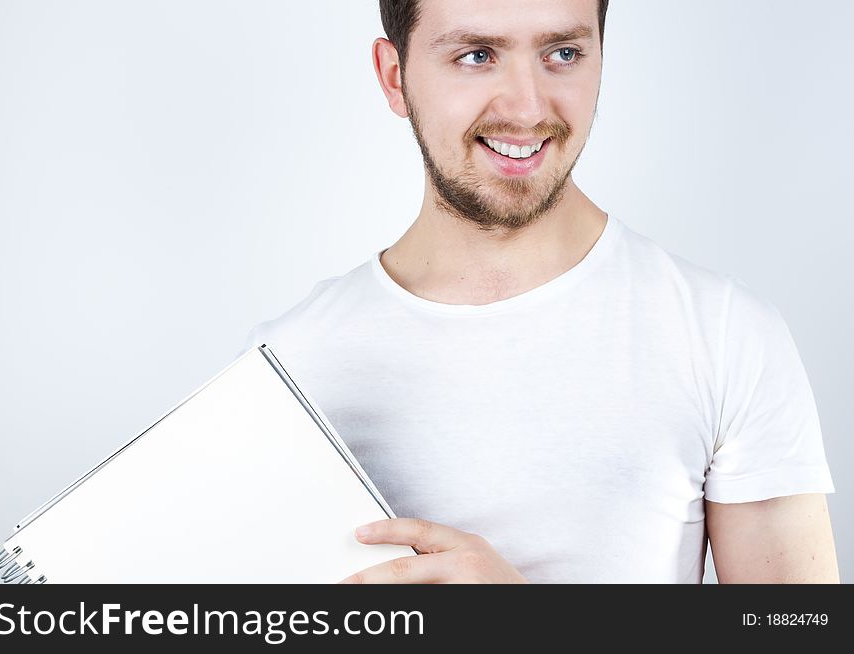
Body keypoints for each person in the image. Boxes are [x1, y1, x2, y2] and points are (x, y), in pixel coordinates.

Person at [239, 0, 839, 583]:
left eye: (563, 52)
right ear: (394, 77)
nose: (526, 109)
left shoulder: (724, 335)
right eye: (476, 55)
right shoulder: (288, 364)